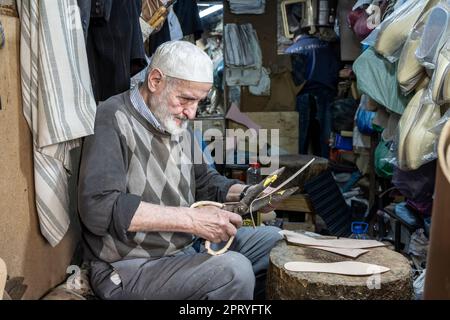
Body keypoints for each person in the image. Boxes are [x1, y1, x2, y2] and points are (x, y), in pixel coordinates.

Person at [77, 40, 283, 300]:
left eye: (199, 102)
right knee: (234, 271)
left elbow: (205, 181)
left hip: (182, 252)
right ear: (155, 81)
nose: (192, 113)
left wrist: (249, 194)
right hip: (127, 267)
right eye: (186, 99)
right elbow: (99, 208)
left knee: (275, 241)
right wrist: (193, 220)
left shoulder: (175, 122)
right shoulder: (112, 117)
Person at [285, 28, 340, 158]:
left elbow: (290, 80)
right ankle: (325, 164)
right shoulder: (325, 46)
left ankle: (300, 165)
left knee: (301, 134)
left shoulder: (291, 50)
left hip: (302, 95)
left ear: (295, 38)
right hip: (324, 92)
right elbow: (335, 68)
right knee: (324, 133)